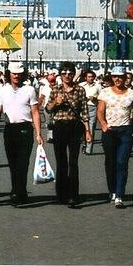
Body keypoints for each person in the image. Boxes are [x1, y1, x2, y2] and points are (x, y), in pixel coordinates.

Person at [0, 61, 43, 206]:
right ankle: (16, 190)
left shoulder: (29, 90)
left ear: (23, 75)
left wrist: (38, 133)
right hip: (9, 129)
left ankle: (18, 192)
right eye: (13, 73)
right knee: (12, 163)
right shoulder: (3, 90)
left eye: (19, 73)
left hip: (25, 129)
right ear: (9, 74)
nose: (16, 76)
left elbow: (35, 112)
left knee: (23, 163)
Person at [45, 61, 92, 207]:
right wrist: (56, 103)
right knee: (61, 162)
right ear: (60, 74)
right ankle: (61, 194)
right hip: (59, 127)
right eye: (64, 73)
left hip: (74, 127)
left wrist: (88, 131)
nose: (67, 75)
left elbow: (84, 111)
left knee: (73, 162)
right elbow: (47, 109)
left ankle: (73, 195)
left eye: (70, 73)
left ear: (74, 75)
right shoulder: (55, 90)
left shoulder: (80, 90)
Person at [97, 65, 133, 209]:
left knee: (122, 162)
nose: (117, 79)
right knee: (110, 162)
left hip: (125, 131)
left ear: (125, 78)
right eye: (115, 76)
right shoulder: (105, 92)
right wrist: (103, 125)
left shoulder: (132, 94)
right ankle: (112, 189)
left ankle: (119, 194)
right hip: (110, 131)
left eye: (120, 77)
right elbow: (100, 111)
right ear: (111, 78)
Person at [79, 69, 101, 154]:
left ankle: (89, 149)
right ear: (85, 78)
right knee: (82, 128)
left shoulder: (98, 86)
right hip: (82, 107)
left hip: (93, 107)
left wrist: (95, 98)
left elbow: (101, 98)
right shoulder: (81, 85)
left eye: (92, 77)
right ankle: (84, 142)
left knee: (91, 128)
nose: (91, 78)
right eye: (89, 77)